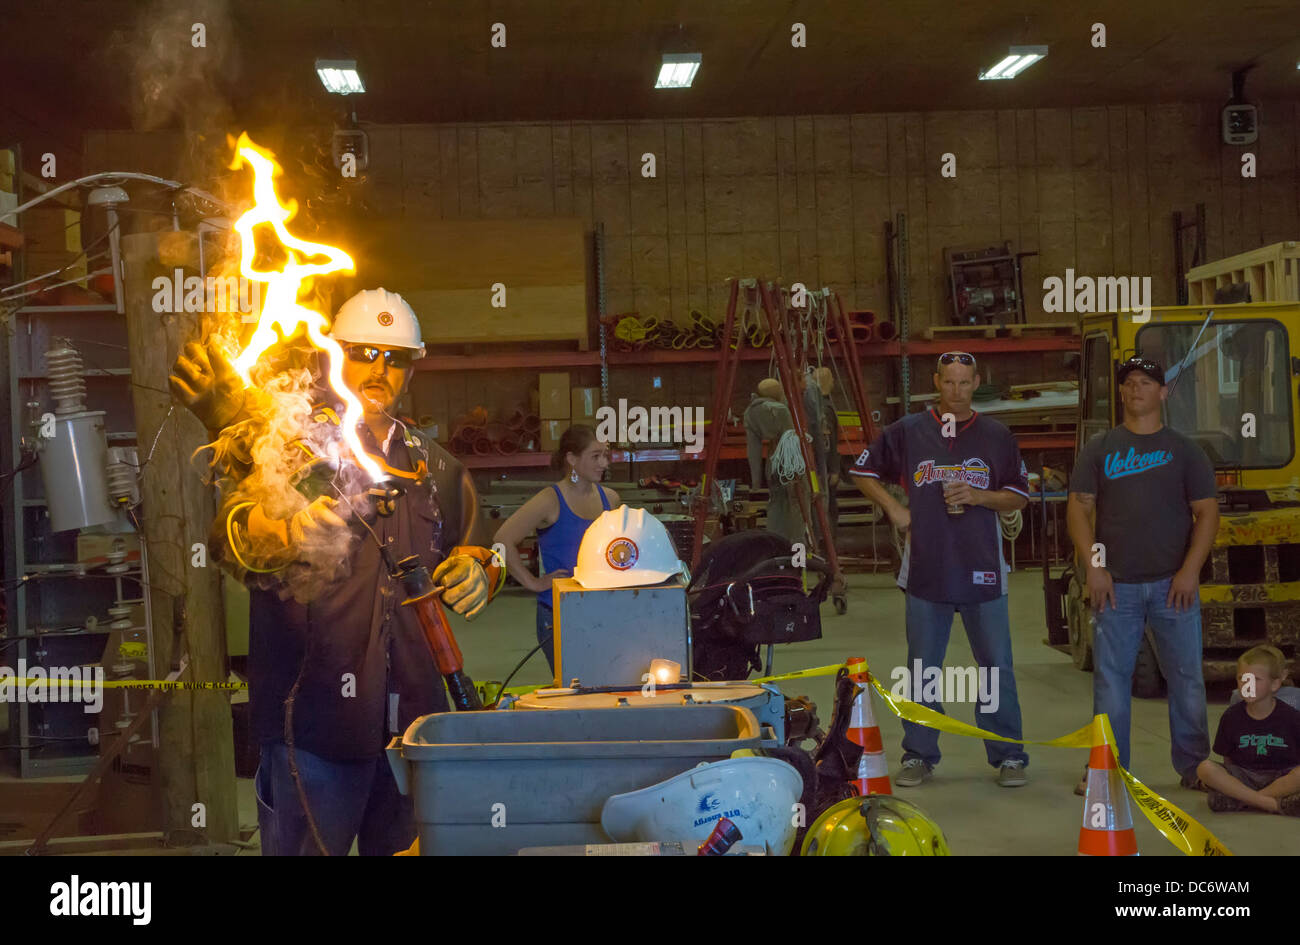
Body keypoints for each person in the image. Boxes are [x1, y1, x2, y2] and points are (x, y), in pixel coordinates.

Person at [169, 288, 504, 855]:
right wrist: (292, 534)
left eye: (396, 358)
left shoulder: (435, 466)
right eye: (365, 352)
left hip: (415, 731)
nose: (380, 368)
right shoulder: (291, 449)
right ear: (334, 354)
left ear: (413, 368)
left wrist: (479, 571)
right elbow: (230, 541)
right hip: (314, 732)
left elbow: (480, 545)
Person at [850, 351, 1031, 788]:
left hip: (984, 567)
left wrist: (978, 496)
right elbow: (860, 470)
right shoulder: (909, 431)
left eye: (964, 383)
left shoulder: (995, 435)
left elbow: (1019, 495)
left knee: (995, 668)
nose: (956, 391)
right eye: (948, 382)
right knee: (923, 669)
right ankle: (919, 755)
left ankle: (1008, 756)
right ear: (936, 382)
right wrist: (894, 507)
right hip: (927, 570)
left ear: (976, 382)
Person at [1067, 355, 1218, 794]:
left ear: (1163, 392)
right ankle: (1109, 767)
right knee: (1111, 680)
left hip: (1176, 587)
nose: (1137, 390)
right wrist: (1094, 568)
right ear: (1121, 392)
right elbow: (1079, 509)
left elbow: (1207, 513)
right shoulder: (1099, 448)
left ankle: (1195, 767)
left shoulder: (1186, 450)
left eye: (1146, 383)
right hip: (1117, 588)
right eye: (1130, 383)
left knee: (1186, 677)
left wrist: (1190, 571)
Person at [494, 425, 619, 674]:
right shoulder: (550, 501)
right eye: (595, 456)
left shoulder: (611, 499)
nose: (604, 463)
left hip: (603, 611)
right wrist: (533, 583)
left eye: (606, 455)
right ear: (572, 459)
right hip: (560, 616)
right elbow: (502, 540)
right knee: (574, 692)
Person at [1195, 645, 1300, 815]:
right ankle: (1271, 804)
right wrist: (1231, 780)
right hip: (1244, 777)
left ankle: (1240, 801)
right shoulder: (1231, 716)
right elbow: (1228, 758)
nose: (1247, 685)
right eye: (1242, 678)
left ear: (1275, 684)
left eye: (1256, 679)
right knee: (1205, 768)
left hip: (1280, 777)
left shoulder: (1292, 717)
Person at [744, 378, 806, 543]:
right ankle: (798, 549)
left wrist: (756, 481)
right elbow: (791, 442)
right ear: (777, 393)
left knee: (775, 503)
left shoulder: (750, 413)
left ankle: (774, 544)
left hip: (772, 466)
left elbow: (753, 449)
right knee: (798, 506)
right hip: (791, 466)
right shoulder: (781, 410)